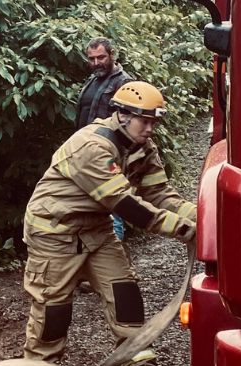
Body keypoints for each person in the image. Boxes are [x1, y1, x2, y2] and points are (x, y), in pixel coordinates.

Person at [21, 81, 197, 366]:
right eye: (144, 120)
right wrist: (185, 230)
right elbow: (125, 204)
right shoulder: (92, 146)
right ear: (122, 115)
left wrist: (204, 217)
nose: (149, 128)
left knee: (125, 295)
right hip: (55, 232)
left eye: (153, 121)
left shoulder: (142, 147)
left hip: (96, 229)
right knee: (53, 308)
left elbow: (160, 194)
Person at [76, 37, 135, 242]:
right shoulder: (93, 80)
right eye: (91, 58)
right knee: (94, 207)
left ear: (112, 55)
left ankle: (116, 252)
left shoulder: (124, 82)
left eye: (101, 57)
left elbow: (130, 124)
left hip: (110, 154)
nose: (96, 63)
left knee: (113, 204)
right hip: (87, 152)